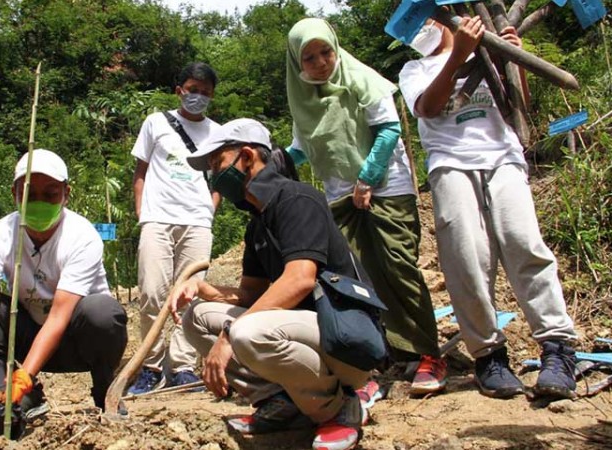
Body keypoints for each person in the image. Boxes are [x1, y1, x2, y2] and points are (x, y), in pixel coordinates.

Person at [398, 17, 578, 400]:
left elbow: (519, 104)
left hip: (503, 156)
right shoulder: (414, 69)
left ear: (446, 16)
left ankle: (558, 349)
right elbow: (429, 107)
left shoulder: (490, 47)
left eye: (426, 19)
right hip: (449, 163)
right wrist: (457, 56)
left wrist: (514, 57)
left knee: (523, 242)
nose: (420, 29)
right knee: (467, 257)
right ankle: (489, 355)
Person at [172, 118, 376, 450]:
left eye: (217, 164)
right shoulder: (257, 225)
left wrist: (228, 334)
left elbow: (299, 280)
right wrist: (205, 290)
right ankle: (283, 402)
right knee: (198, 317)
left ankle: (339, 408)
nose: (213, 176)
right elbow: (251, 294)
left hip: (347, 338)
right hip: (305, 331)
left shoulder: (297, 200)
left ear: (248, 157)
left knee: (244, 331)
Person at [285, 17, 446, 395]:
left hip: (386, 186)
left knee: (397, 266)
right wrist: (267, 164)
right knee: (354, 280)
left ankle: (427, 353)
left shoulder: (361, 78)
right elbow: (300, 150)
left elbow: (388, 130)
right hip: (340, 195)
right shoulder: (303, 99)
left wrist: (367, 180)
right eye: (309, 57)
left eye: (326, 51)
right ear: (297, 63)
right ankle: (376, 359)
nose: (321, 62)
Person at [0, 149, 128, 423]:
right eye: (29, 194)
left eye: (50, 194)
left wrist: (25, 375)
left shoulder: (82, 236)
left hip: (75, 340)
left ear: (66, 193)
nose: (39, 202)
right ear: (14, 193)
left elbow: (60, 316)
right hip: (25, 334)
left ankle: (106, 394)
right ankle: (12, 398)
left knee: (102, 312)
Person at [128, 62, 221, 394]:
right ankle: (149, 366)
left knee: (191, 298)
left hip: (197, 222)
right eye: (192, 89)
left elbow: (220, 178)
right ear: (179, 89)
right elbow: (141, 170)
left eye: (205, 93)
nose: (198, 97)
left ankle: (181, 366)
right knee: (152, 293)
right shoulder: (155, 123)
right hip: (158, 218)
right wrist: (143, 212)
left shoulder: (217, 132)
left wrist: (210, 210)